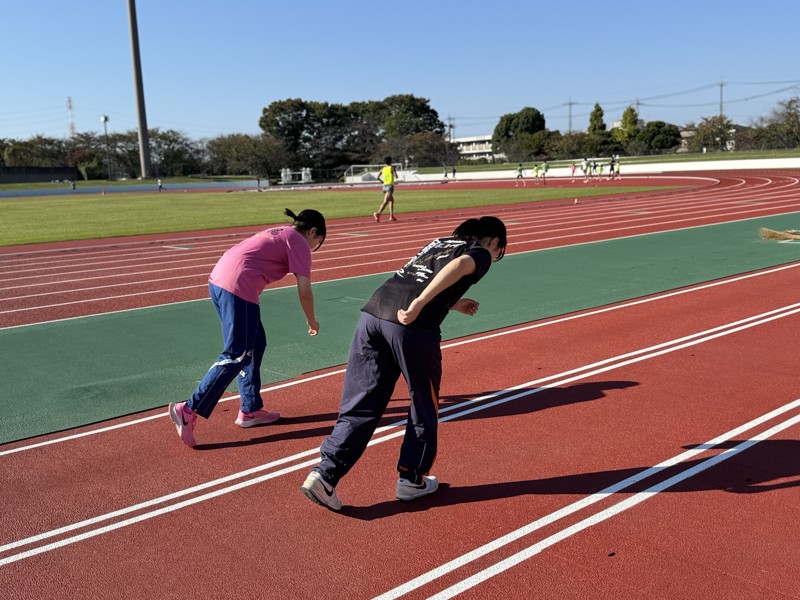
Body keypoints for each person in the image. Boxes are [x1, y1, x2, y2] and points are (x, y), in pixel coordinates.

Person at [300, 216, 508, 511]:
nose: (495, 256)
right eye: (499, 251)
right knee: (424, 401)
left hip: (373, 314)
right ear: (495, 242)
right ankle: (411, 478)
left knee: (362, 401)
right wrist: (421, 303)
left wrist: (450, 302)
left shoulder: (440, 243)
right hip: (411, 326)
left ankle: (325, 475)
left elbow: (415, 278)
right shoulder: (480, 251)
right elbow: (460, 267)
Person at [168, 208, 327, 448]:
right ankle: (189, 409)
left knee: (254, 344)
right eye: (318, 242)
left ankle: (250, 409)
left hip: (221, 281)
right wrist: (311, 320)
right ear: (313, 231)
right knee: (236, 354)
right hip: (237, 287)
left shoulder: (280, 232)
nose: (315, 248)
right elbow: (304, 290)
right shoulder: (299, 242)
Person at [374, 156, 398, 222]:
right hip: (390, 186)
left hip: (384, 186)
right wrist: (394, 171)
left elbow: (377, 177)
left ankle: (391, 216)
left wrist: (382, 182)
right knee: (385, 202)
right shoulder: (391, 168)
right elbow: (396, 177)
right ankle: (378, 213)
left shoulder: (383, 169)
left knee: (391, 201)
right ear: (391, 161)